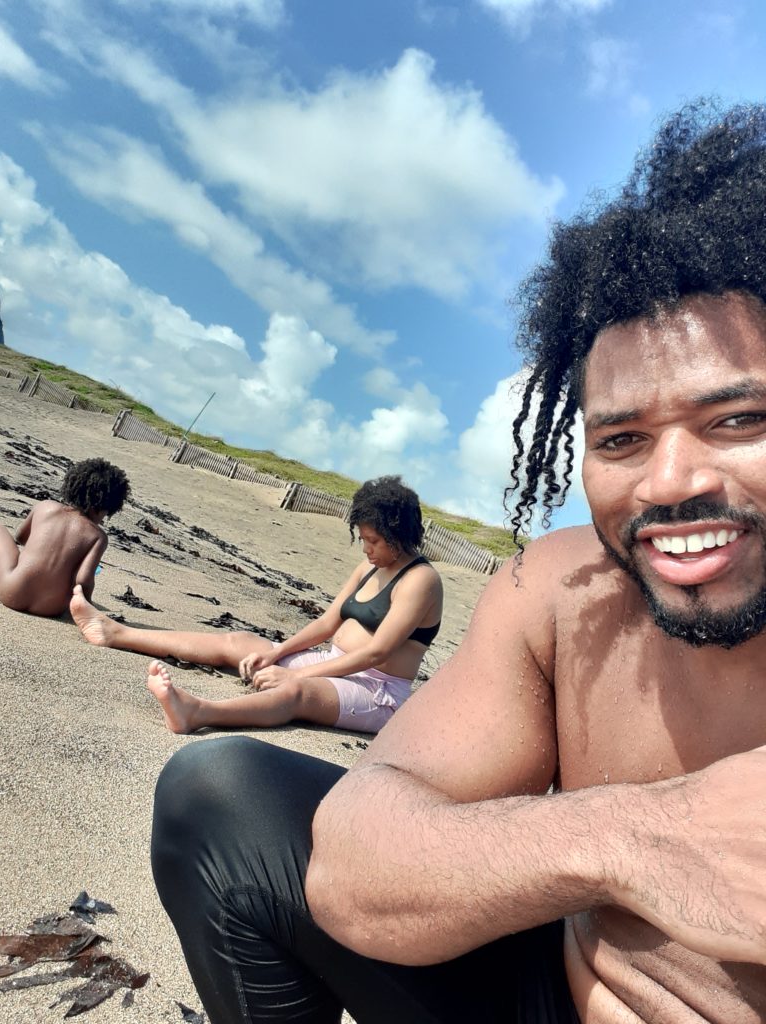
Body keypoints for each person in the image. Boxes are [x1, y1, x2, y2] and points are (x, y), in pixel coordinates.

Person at [149, 99, 766, 1024]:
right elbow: (353, 866)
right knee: (218, 793)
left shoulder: (421, 579)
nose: (670, 484)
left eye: (739, 419)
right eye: (624, 439)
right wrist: (637, 837)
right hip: (550, 996)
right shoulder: (561, 592)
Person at [72, 475, 443, 735]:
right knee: (241, 643)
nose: (366, 549)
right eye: (362, 539)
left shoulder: (421, 581)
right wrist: (278, 652)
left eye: (374, 541)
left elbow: (377, 653)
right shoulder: (368, 566)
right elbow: (329, 622)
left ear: (400, 534)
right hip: (331, 663)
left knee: (296, 693)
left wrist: (296, 674)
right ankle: (116, 633)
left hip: (376, 691)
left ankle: (197, 713)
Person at [0, 457, 130, 617]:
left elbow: (20, 537)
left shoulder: (45, 506)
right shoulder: (97, 536)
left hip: (12, 592)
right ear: (108, 507)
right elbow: (83, 580)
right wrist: (89, 609)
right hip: (51, 607)